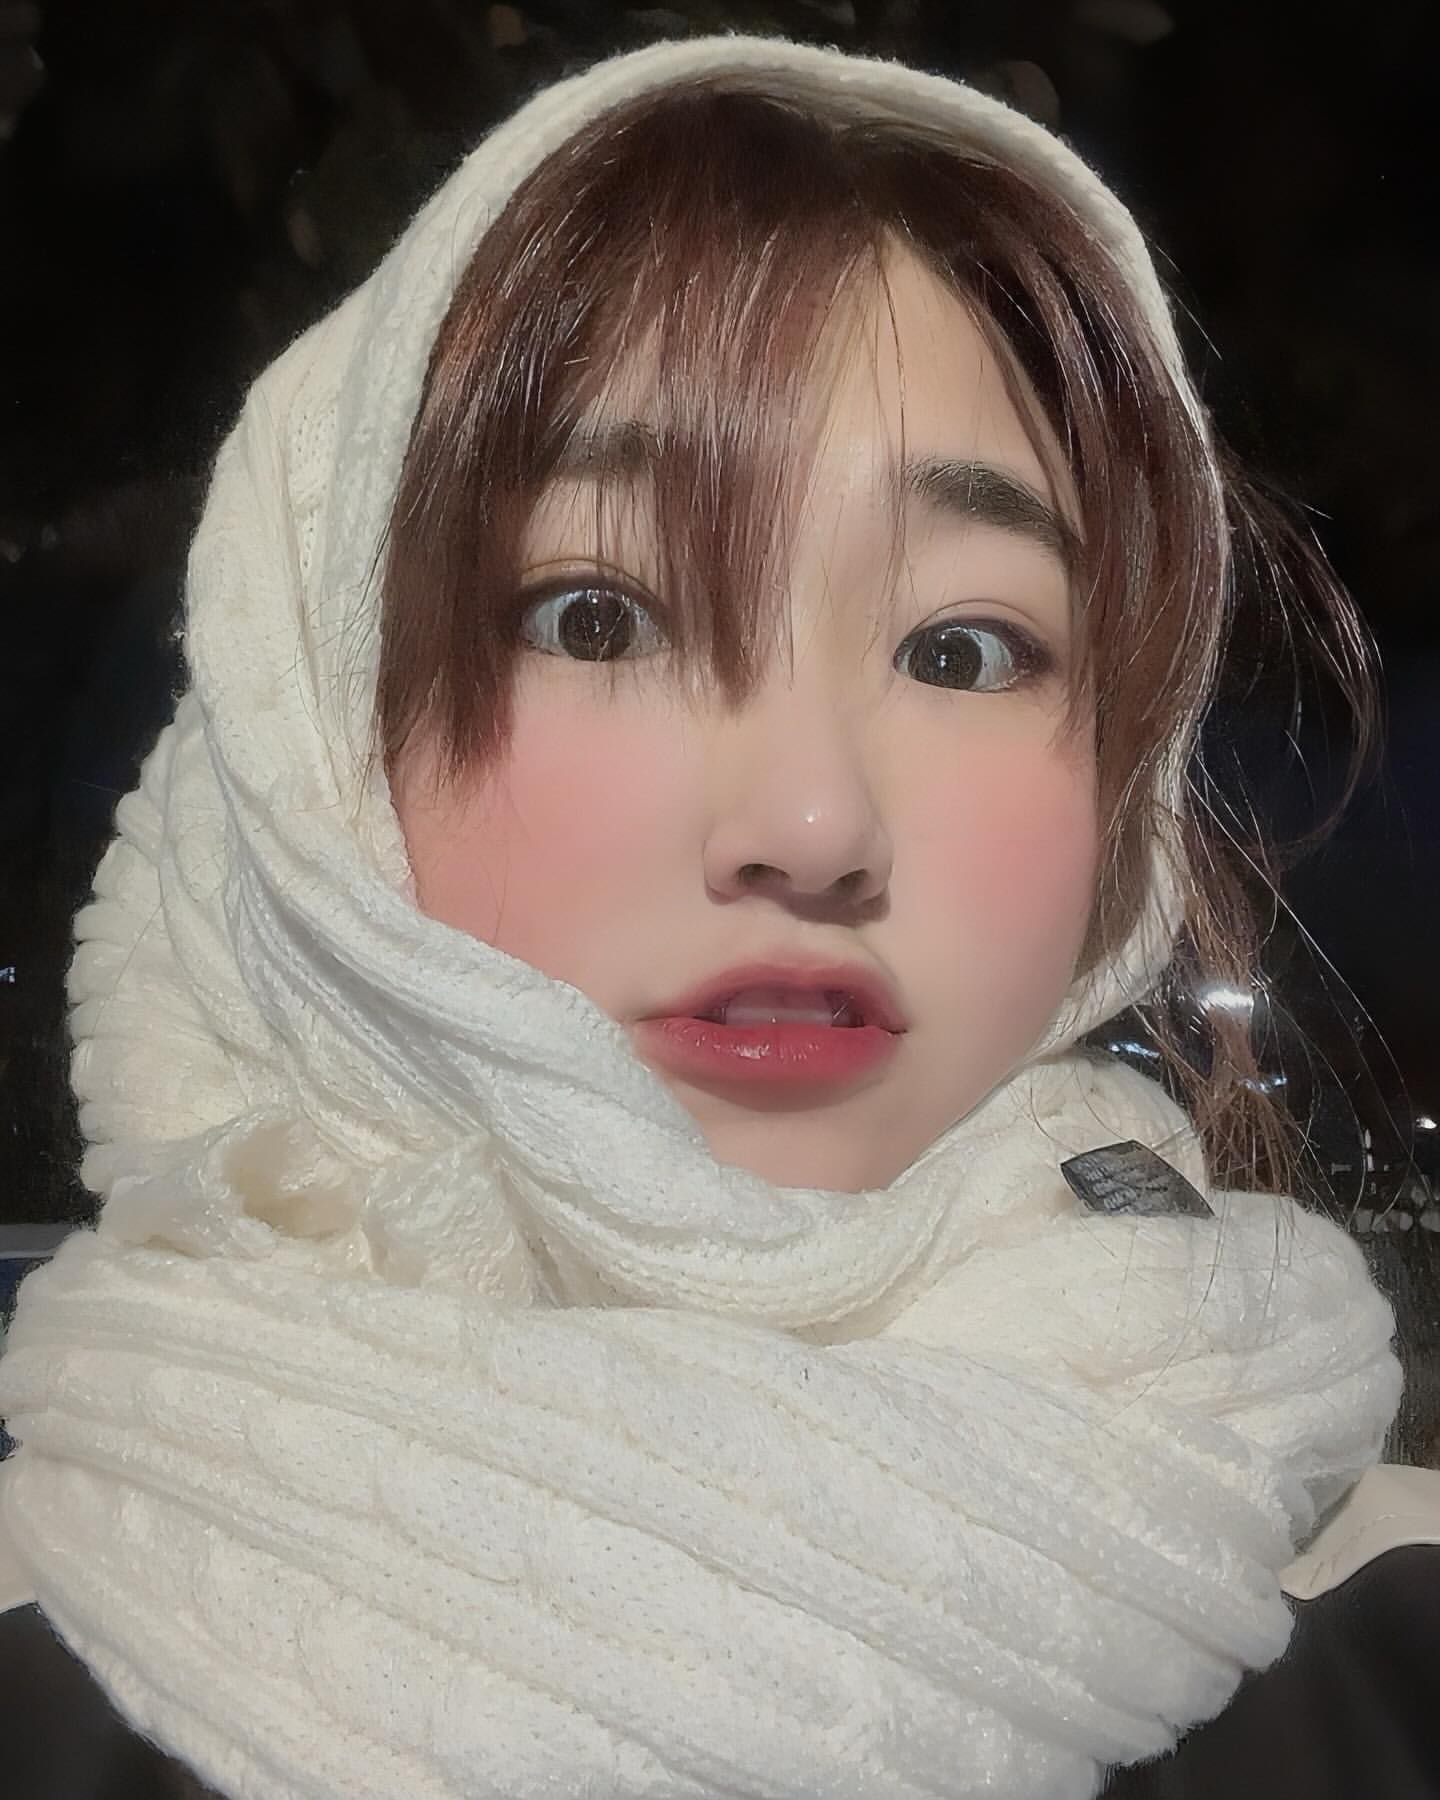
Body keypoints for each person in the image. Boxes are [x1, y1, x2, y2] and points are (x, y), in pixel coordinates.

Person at [0, 30, 1429, 1800]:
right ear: (321, 744)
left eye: (961, 648)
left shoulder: (1374, 1656)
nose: (812, 830)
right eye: (597, 617)